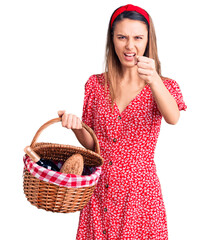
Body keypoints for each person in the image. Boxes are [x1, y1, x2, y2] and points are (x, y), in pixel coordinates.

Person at [58, 4, 187, 240]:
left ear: (148, 39)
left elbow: (173, 118)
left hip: (140, 195)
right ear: (112, 39)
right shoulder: (95, 85)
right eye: (122, 37)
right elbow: (92, 143)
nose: (130, 45)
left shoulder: (164, 85)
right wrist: (77, 128)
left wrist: (154, 78)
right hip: (99, 192)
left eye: (138, 37)